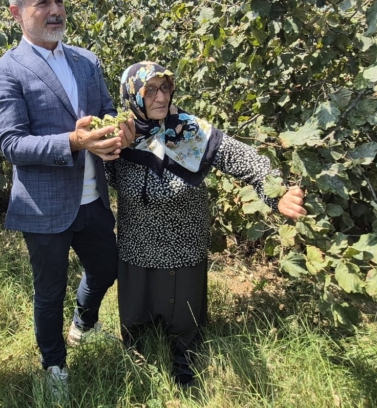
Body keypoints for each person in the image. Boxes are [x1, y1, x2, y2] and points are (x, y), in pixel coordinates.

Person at [0, 0, 134, 399]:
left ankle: (84, 323)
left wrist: (117, 135)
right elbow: (11, 144)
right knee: (49, 291)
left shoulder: (87, 62)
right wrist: (74, 141)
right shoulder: (7, 71)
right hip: (44, 205)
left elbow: (109, 111)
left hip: (92, 198)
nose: (55, 10)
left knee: (107, 267)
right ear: (16, 13)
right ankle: (54, 365)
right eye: (42, 2)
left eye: (59, 0)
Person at [106, 61, 307, 389]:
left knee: (183, 319)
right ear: (132, 96)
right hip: (135, 245)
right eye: (150, 90)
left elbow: (244, 159)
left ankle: (186, 371)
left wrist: (277, 193)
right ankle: (137, 365)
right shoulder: (121, 134)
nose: (161, 97)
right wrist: (107, 150)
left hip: (182, 245)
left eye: (166, 87)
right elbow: (96, 180)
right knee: (135, 318)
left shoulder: (190, 131)